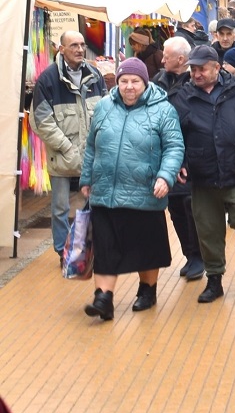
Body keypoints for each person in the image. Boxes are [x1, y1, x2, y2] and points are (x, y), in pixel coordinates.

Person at [78, 58, 184, 320]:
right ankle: (103, 299)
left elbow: (174, 147)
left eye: (135, 81)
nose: (129, 86)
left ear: (145, 83)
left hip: (145, 191)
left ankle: (147, 290)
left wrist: (165, 176)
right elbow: (92, 146)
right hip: (106, 192)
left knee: (146, 247)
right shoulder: (103, 107)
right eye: (124, 81)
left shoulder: (163, 110)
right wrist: (86, 178)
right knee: (105, 248)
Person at [170, 45, 235, 303]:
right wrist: (179, 161)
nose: (196, 74)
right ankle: (215, 280)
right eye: (193, 69)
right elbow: (172, 135)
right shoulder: (183, 96)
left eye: (202, 68)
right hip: (202, 176)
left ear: (217, 67)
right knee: (208, 230)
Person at [30, 30, 107, 265]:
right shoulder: (48, 79)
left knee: (94, 204)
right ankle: (62, 253)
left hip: (92, 156)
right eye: (74, 45)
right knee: (60, 208)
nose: (80, 50)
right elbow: (40, 121)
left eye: (82, 45)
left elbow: (106, 112)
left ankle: (90, 248)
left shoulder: (95, 75)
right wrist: (65, 147)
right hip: (62, 156)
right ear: (61, 49)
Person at [152, 37, 204, 281]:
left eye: (166, 56)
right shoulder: (158, 81)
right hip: (165, 154)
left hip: (192, 151)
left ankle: (198, 256)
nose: (162, 60)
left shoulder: (196, 81)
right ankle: (189, 254)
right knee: (174, 207)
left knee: (191, 206)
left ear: (181, 59)